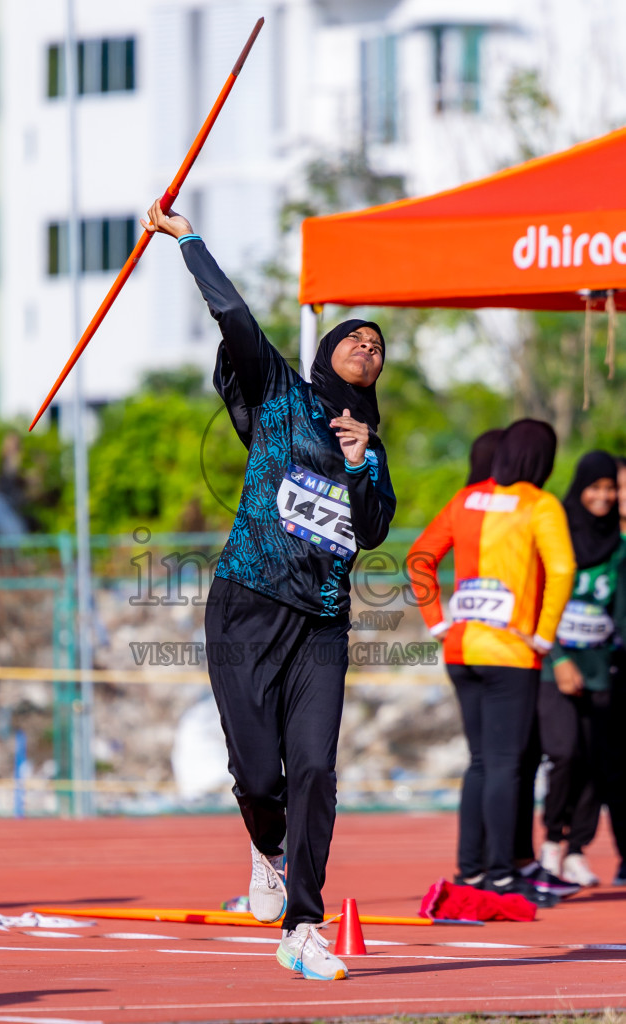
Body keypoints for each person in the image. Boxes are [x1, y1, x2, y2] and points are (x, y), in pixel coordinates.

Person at [142, 201, 396, 980]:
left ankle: (303, 925)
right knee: (259, 776)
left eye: (378, 345)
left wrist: (359, 462)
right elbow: (236, 319)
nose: (367, 344)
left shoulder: (370, 448)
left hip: (321, 622)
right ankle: (265, 849)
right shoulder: (282, 397)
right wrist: (188, 240)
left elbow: (376, 529)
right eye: (354, 336)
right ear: (326, 354)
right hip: (248, 602)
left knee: (314, 768)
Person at [407, 419, 575, 904]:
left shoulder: (467, 498)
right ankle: (503, 876)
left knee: (481, 762)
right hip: (510, 652)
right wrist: (543, 636)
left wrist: (438, 623)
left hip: (461, 649)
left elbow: (420, 555)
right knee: (506, 764)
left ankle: (474, 871)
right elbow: (562, 568)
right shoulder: (539, 504)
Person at [538, 451, 626, 887]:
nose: (604, 496)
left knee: (595, 760)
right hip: (558, 664)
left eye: (611, 488)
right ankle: (553, 841)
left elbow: (620, 611)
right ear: (580, 489)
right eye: (596, 487)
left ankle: (577, 849)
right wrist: (559, 658)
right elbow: (542, 600)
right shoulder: (560, 535)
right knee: (566, 752)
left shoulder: (619, 545)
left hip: (601, 666)